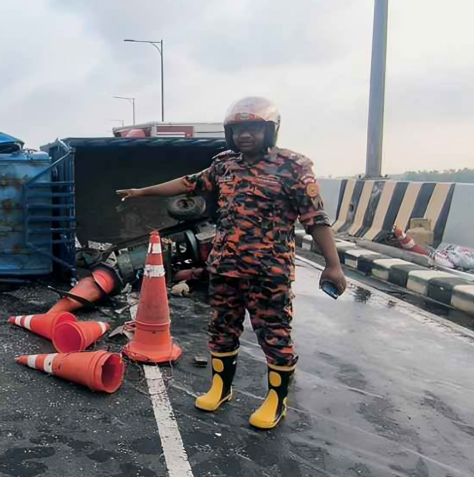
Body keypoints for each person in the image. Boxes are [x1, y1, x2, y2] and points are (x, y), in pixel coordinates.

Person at [117, 97, 345, 430]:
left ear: (270, 131)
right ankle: (221, 388)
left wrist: (333, 264)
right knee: (222, 330)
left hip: (270, 271)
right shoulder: (224, 165)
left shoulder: (294, 167)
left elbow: (316, 219)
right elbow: (187, 183)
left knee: (274, 335)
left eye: (253, 128)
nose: (244, 136)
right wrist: (142, 192)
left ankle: (276, 401)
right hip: (225, 268)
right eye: (238, 130)